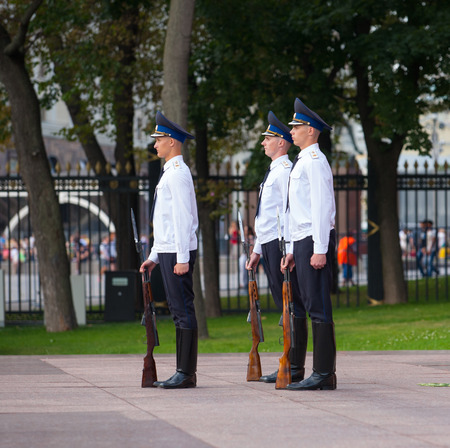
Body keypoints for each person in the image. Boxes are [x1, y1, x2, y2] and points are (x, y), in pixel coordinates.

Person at [246, 111, 307, 384]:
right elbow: (267, 217)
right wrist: (258, 249)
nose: (264, 143)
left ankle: (293, 366)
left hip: (281, 245)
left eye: (268, 138)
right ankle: (288, 361)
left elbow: (288, 213)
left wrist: (290, 248)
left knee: (291, 306)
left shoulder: (284, 172)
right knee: (284, 307)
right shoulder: (274, 171)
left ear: (282, 142)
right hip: (269, 244)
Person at [139, 111, 199, 389]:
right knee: (177, 310)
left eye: (159, 139)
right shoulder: (170, 173)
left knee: (182, 310)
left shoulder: (177, 174)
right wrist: (153, 256)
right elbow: (164, 222)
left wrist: (182, 258)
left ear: (172, 142)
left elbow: (182, 218)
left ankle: (185, 373)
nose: (155, 145)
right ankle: (182, 370)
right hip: (169, 251)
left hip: (178, 253)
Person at [281, 98, 337, 391]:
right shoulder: (303, 161)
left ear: (312, 131)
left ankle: (324, 373)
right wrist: (292, 250)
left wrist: (319, 248)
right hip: (302, 241)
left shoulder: (315, 162)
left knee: (318, 306)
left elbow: (321, 207)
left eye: (297, 126)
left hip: (312, 240)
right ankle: (320, 372)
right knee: (310, 303)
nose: (292, 131)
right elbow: (296, 211)